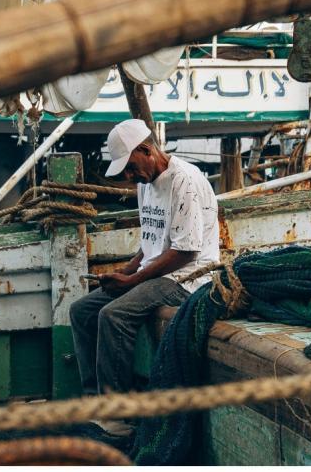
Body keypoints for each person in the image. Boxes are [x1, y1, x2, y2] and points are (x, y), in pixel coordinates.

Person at [69, 119, 219, 436]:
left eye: (130, 166)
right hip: (158, 272)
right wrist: (126, 269)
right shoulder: (145, 184)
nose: (128, 176)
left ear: (146, 149)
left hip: (188, 278)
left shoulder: (184, 181)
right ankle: (95, 400)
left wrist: (132, 282)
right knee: (81, 311)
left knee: (114, 314)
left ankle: (120, 414)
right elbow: (151, 241)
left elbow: (186, 252)